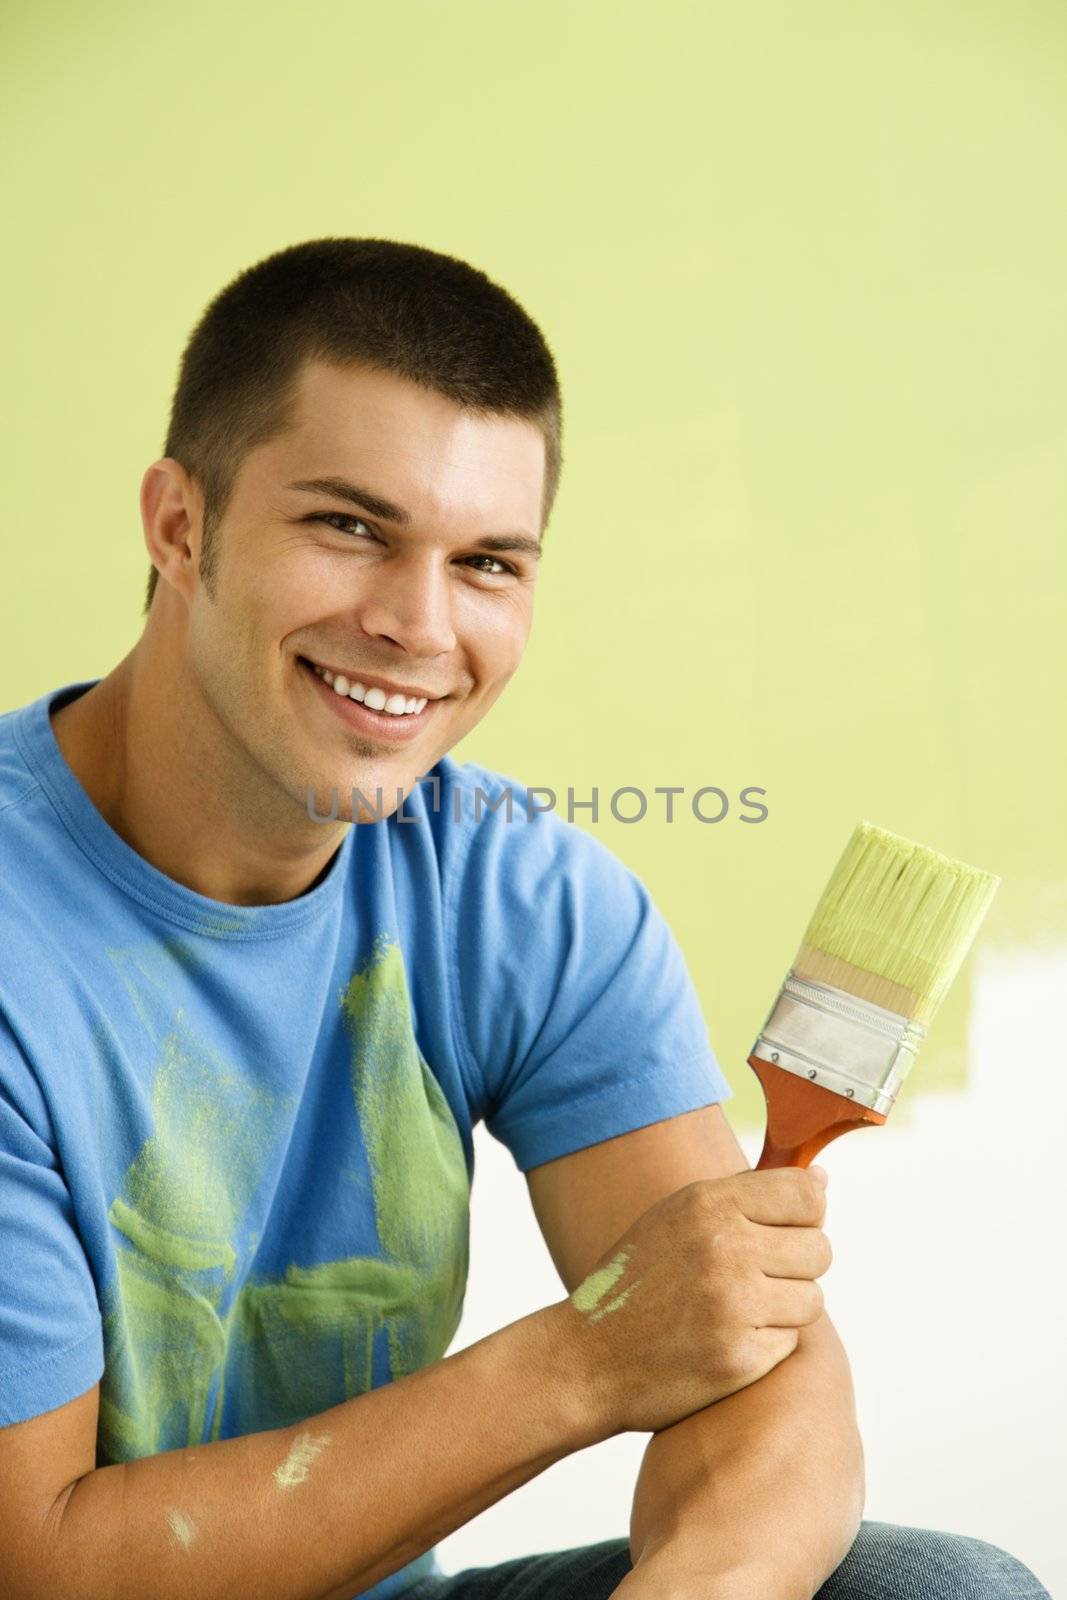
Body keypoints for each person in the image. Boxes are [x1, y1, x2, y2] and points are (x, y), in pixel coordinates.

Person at [0, 238, 1048, 1600]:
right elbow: (39, 1557)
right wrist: (587, 1356)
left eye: (488, 562)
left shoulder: (520, 896)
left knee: (934, 1591)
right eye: (351, 527)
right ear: (178, 523)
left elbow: (761, 1386)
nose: (420, 627)